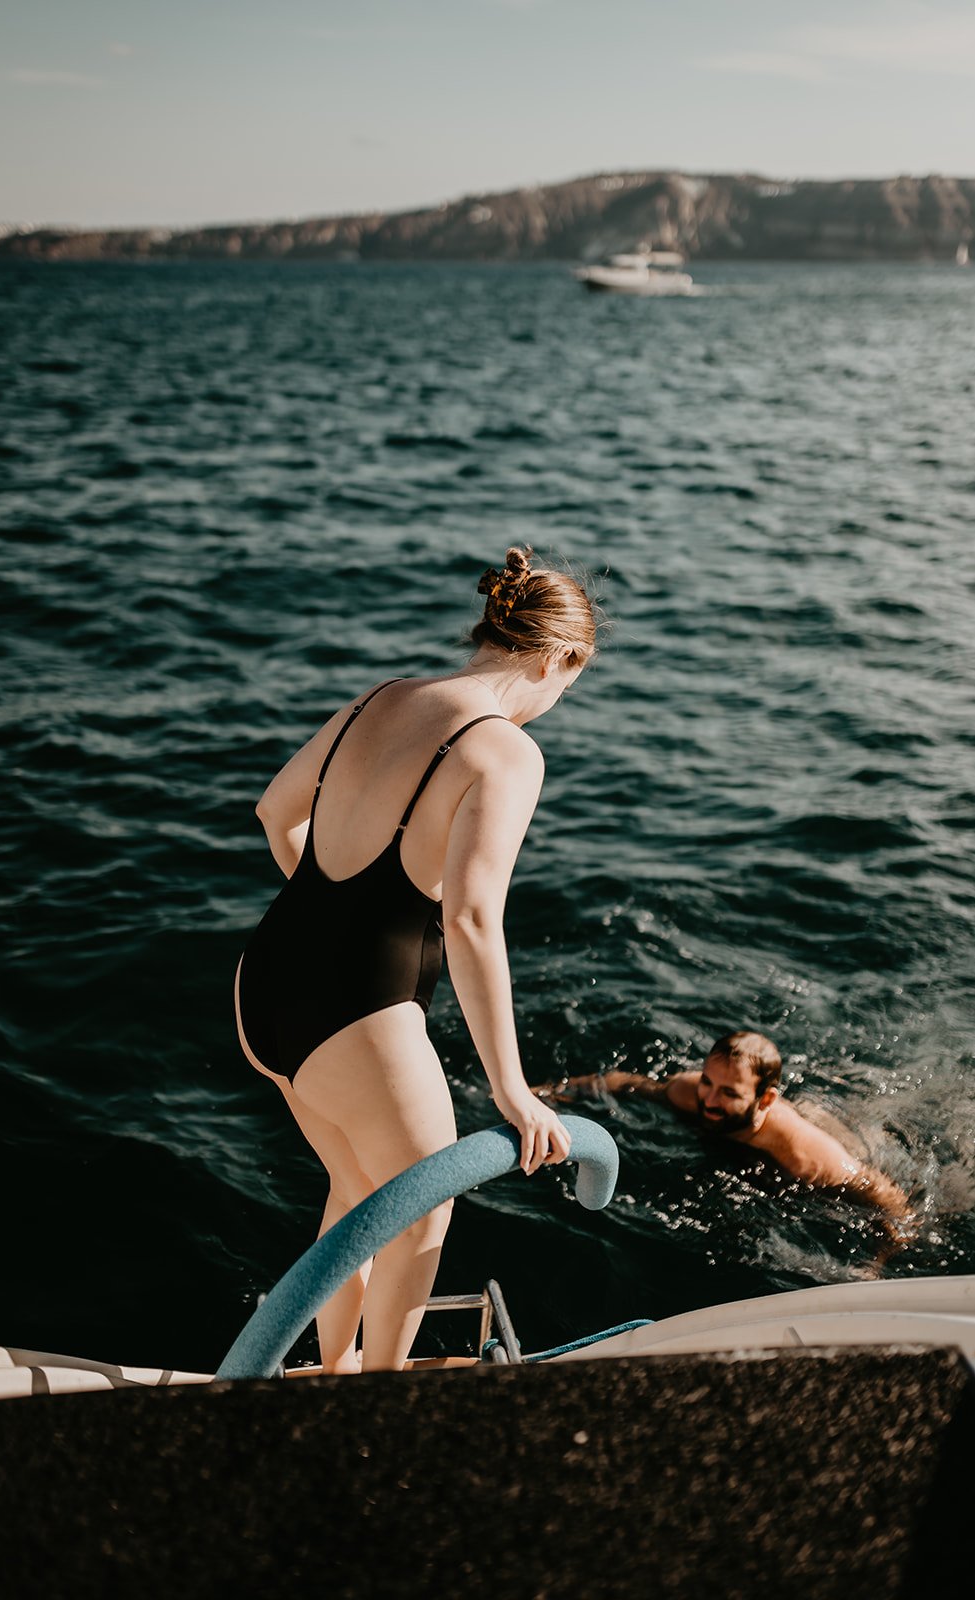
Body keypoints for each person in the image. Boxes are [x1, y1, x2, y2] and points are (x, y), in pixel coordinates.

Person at [234, 547, 596, 1373]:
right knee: (420, 1213)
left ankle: (330, 1374)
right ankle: (375, 1401)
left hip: (264, 983)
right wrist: (511, 1090)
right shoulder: (505, 751)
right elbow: (469, 918)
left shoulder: (383, 696)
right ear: (555, 658)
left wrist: (340, 917)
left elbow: (272, 811)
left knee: (358, 1192)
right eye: (569, 683)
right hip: (355, 1015)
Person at [535, 1030, 914, 1243]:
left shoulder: (808, 1155)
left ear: (765, 1099)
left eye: (730, 1093)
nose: (710, 1102)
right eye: (707, 1082)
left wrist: (878, 1259)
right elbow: (624, 1083)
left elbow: (891, 1201)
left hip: (813, 1150)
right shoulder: (691, 1093)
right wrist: (547, 1093)